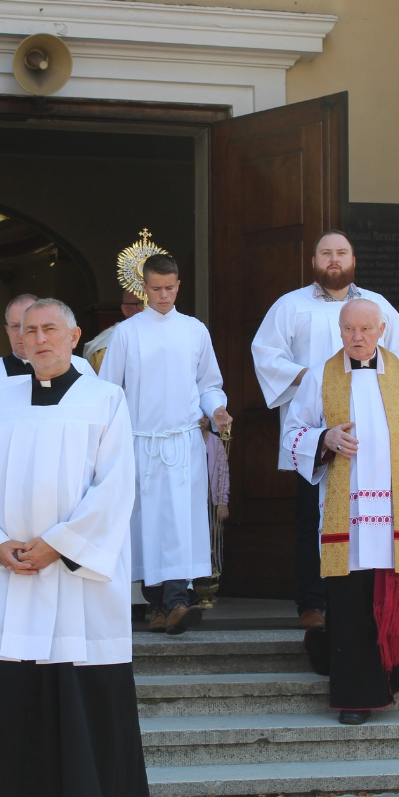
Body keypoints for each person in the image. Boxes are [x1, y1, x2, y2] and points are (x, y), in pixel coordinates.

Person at [0, 298, 146, 797]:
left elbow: (115, 487)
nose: (38, 339)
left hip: (74, 582)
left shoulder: (106, 399)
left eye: (49, 329)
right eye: (28, 330)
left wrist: (58, 545)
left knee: (80, 707)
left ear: (74, 336)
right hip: (6, 577)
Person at [284, 298, 399, 724]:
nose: (356, 338)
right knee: (354, 604)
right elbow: (293, 432)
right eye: (348, 330)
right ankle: (357, 696)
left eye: (365, 330)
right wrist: (326, 438)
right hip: (351, 513)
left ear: (382, 330)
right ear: (339, 331)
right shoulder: (320, 376)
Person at [251, 230, 399, 629]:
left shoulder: (379, 307)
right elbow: (266, 354)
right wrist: (316, 378)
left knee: (373, 516)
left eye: (342, 252)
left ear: (354, 260)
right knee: (313, 518)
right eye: (326, 253)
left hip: (374, 433)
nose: (334, 259)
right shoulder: (291, 306)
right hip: (314, 427)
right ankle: (312, 602)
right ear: (314, 262)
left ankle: (370, 603)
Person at [100, 254, 230, 635]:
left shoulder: (194, 330)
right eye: (155, 289)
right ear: (144, 287)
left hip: (184, 442)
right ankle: (156, 605)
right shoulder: (126, 333)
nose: (163, 296)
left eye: (169, 289)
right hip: (140, 443)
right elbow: (110, 391)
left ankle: (176, 601)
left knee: (179, 522)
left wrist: (217, 409)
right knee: (146, 523)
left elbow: (208, 383)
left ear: (178, 285)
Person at [0, 293, 95, 513]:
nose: (22, 334)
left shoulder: (80, 370)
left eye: (29, 326)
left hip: (66, 489)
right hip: (0, 488)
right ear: (6, 329)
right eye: (16, 326)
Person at [82, 289, 143, 373]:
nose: (147, 308)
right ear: (125, 309)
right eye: (141, 303)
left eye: (151, 303)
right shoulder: (106, 347)